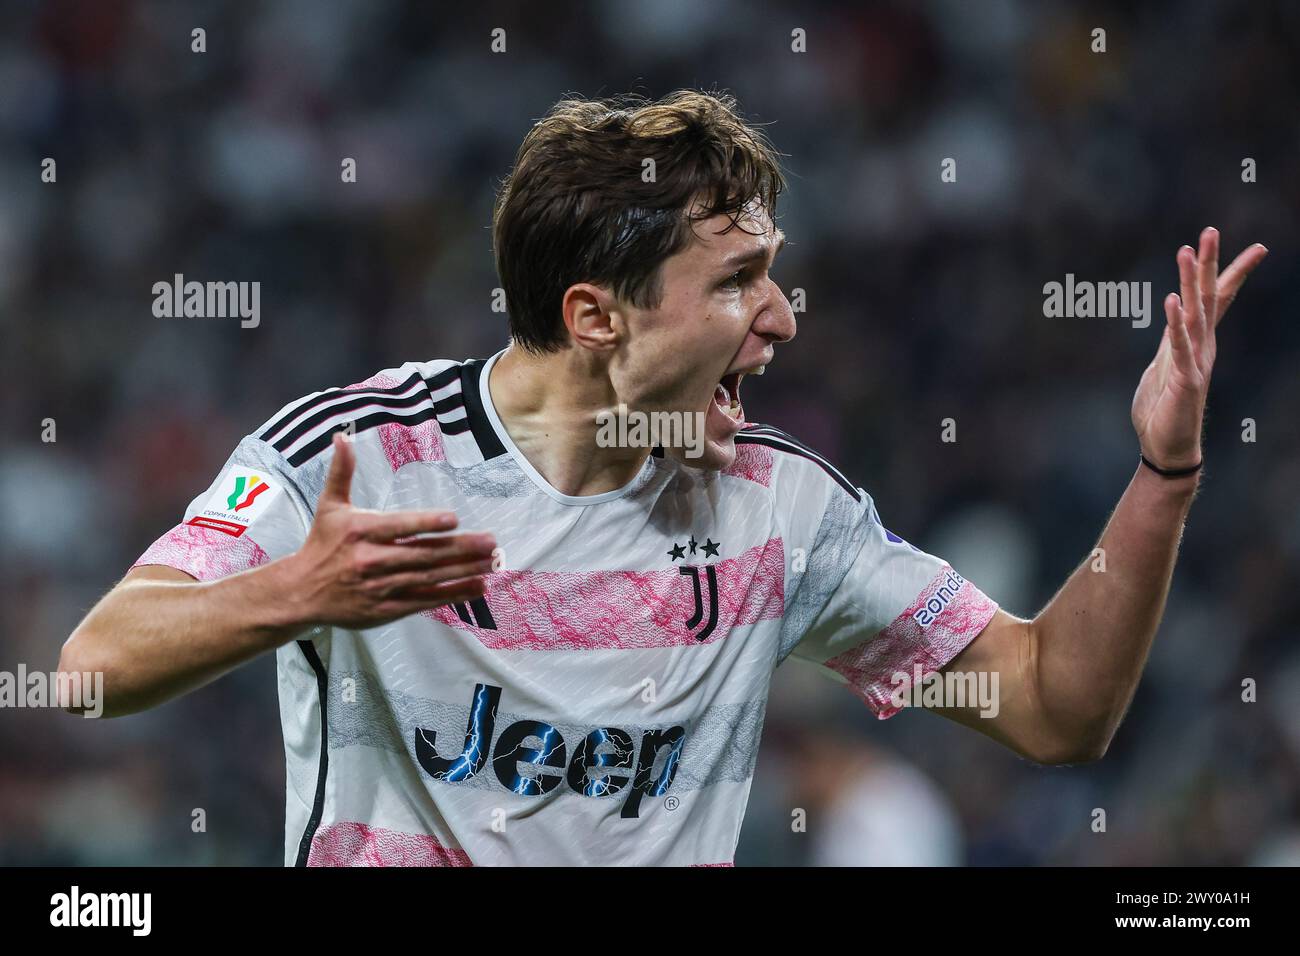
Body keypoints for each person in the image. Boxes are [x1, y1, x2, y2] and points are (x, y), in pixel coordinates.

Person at [59, 90, 1267, 866]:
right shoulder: (361, 455)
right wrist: (296, 593)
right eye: (736, 281)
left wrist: (1163, 469)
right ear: (595, 314)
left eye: (772, 271)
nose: (784, 319)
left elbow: (1056, 708)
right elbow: (86, 672)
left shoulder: (779, 510)